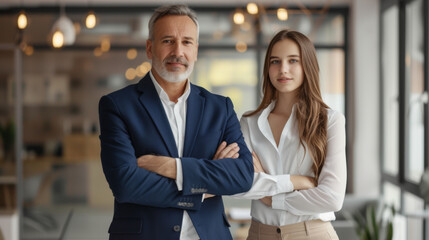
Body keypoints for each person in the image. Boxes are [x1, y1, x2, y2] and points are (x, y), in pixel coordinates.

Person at [98, 4, 254, 240]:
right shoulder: (118, 106)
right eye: (168, 41)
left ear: (196, 50)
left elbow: (241, 175)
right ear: (150, 48)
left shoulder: (219, 107)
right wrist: (204, 188)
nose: (178, 51)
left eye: (187, 42)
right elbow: (126, 183)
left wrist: (171, 168)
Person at [234, 29, 347, 239]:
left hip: (313, 233)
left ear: (307, 66)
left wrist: (270, 198)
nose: (283, 69)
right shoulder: (249, 123)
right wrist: (297, 181)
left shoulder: (330, 121)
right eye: (275, 61)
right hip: (260, 234)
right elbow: (237, 185)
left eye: (293, 60)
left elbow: (332, 197)